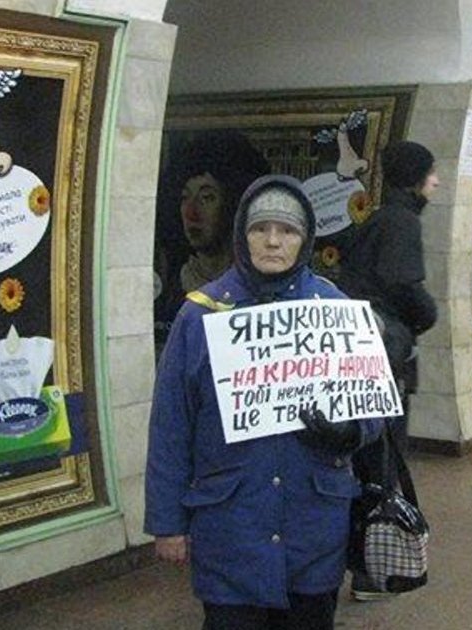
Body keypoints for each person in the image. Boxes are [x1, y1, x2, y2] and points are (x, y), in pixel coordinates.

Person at [145, 174, 383, 630]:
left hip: (313, 526)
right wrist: (167, 522)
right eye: (260, 228)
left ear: (305, 239)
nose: (273, 241)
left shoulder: (334, 308)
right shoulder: (200, 314)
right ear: (242, 233)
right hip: (231, 526)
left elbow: (372, 406)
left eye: (288, 230)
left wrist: (350, 431)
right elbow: (171, 424)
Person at [335, 140, 438, 600]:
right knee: (383, 461)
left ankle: (359, 561)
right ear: (416, 178)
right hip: (386, 355)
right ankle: (373, 570)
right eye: (431, 174)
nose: (436, 182)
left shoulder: (378, 218)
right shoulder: (401, 222)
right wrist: (428, 313)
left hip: (366, 350)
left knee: (368, 459)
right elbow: (402, 284)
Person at [154, 131, 270, 350]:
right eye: (184, 198)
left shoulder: (261, 288)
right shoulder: (168, 291)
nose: (191, 213)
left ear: (234, 205)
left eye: (207, 198)